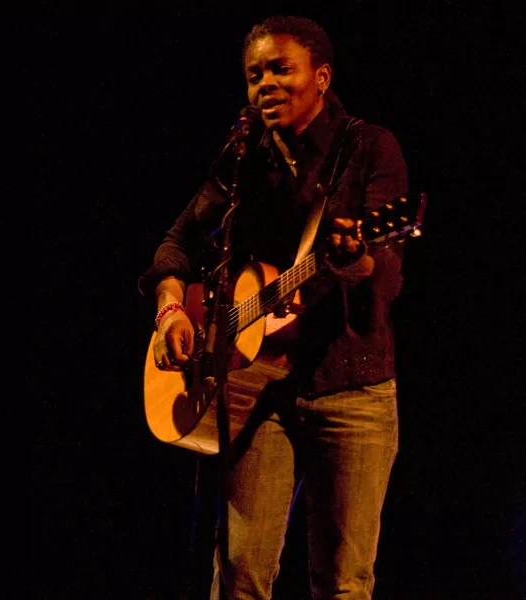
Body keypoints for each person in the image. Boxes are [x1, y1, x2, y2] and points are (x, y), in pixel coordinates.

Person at [138, 16, 409, 600]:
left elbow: (384, 278)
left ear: (321, 75)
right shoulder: (243, 157)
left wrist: (357, 261)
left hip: (351, 387)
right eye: (254, 74)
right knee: (239, 577)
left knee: (343, 583)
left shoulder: (369, 148)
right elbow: (176, 243)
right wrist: (171, 311)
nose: (266, 84)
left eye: (281, 69)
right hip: (255, 392)